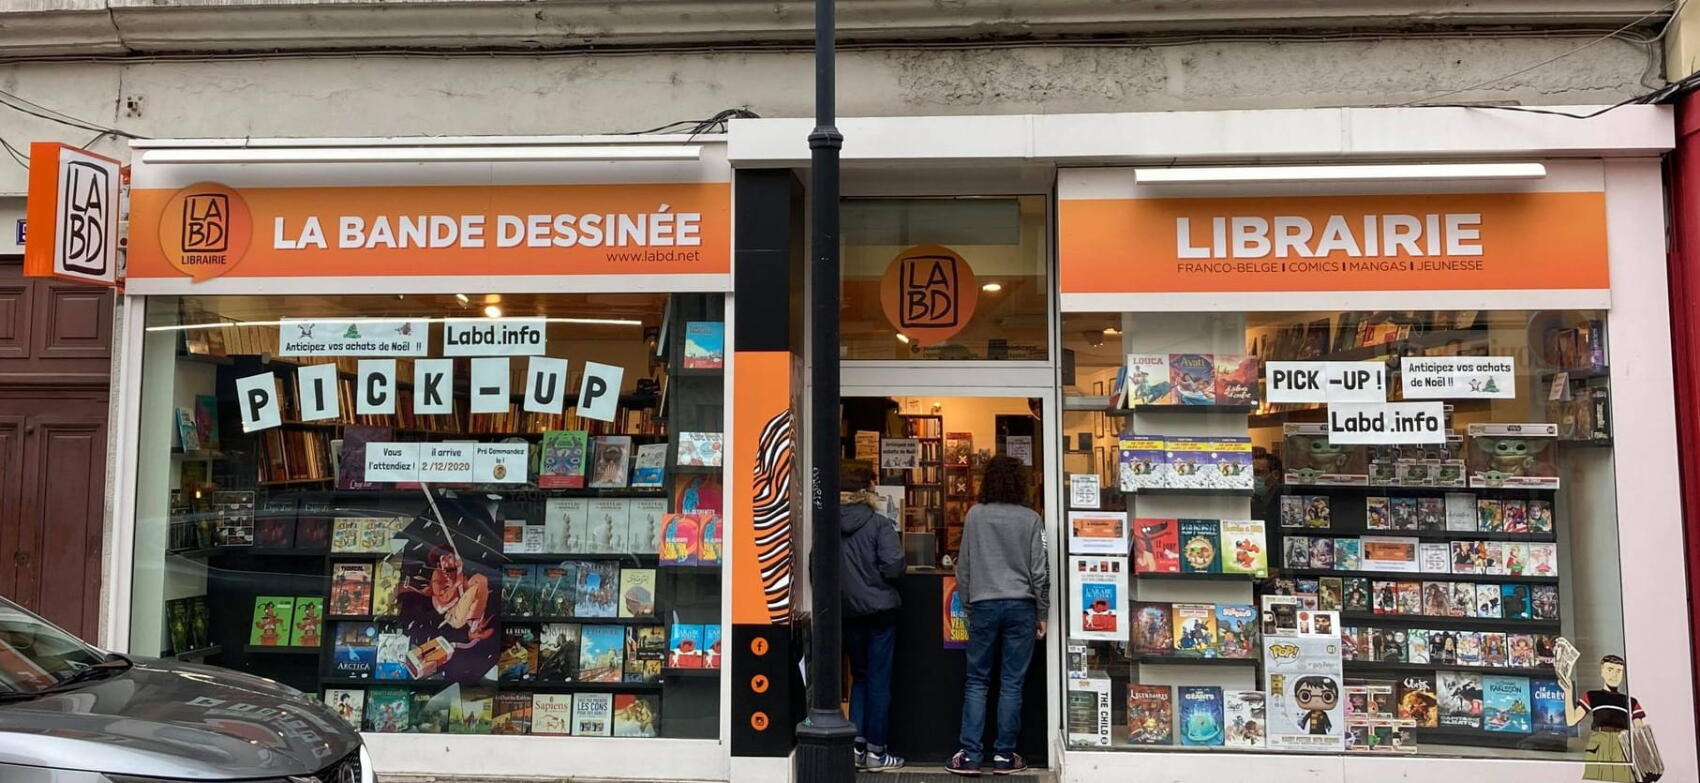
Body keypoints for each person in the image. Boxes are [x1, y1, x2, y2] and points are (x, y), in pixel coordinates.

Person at [947, 456, 1050, 777]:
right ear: (1021, 484)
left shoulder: (975, 516)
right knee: (1012, 683)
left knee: (977, 681)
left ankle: (972, 756)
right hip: (1021, 607)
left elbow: (963, 567)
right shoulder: (1031, 519)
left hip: (984, 605)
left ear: (987, 481)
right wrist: (1042, 611)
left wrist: (968, 604)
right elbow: (1039, 572)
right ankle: (1005, 756)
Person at [838, 460, 906, 772]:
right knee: (879, 681)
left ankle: (856, 747)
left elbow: (817, 569)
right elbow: (894, 567)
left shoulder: (827, 525)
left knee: (860, 678)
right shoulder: (879, 525)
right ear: (867, 490)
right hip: (879, 612)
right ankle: (878, 752)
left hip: (848, 612)